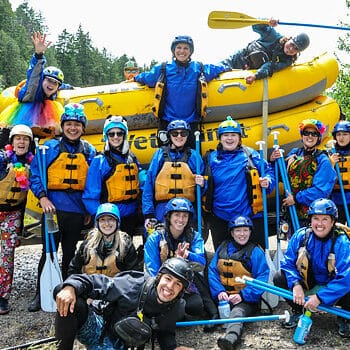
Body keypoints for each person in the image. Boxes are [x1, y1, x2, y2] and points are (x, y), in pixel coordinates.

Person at [28, 102, 97, 312]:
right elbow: (35, 175)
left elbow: (93, 182)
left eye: (77, 124)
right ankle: (41, 294)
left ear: (83, 127)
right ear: (63, 126)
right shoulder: (49, 148)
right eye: (69, 124)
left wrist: (87, 209)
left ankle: (67, 292)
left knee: (69, 253)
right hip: (53, 210)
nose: (73, 128)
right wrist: (42, 198)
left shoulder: (89, 150)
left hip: (76, 210)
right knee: (47, 252)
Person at [55, 257, 195, 350]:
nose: (170, 287)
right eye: (168, 278)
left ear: (181, 291)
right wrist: (70, 287)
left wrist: (173, 348)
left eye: (178, 284)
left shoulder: (177, 307)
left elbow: (165, 332)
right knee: (72, 301)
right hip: (98, 329)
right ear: (159, 277)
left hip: (122, 347)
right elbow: (92, 282)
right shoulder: (132, 284)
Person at [273, 198, 350, 338]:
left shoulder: (342, 241)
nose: (319, 224)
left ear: (332, 221)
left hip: (333, 289)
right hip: (308, 284)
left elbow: (346, 277)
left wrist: (320, 297)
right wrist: (295, 284)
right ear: (310, 220)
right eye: (316, 218)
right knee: (279, 277)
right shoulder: (301, 236)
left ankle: (345, 318)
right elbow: (288, 263)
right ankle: (299, 310)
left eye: (325, 219)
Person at [134, 35, 227, 148]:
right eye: (179, 47)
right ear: (173, 50)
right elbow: (147, 77)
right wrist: (135, 77)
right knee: (165, 160)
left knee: (192, 160)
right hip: (167, 122)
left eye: (186, 48)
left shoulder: (199, 68)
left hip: (190, 123)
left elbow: (219, 68)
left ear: (190, 51)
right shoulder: (163, 69)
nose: (182, 51)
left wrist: (232, 67)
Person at [144, 197, 219, 332]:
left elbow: (201, 263)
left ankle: (211, 312)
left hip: (183, 285)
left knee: (196, 305)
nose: (181, 219)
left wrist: (187, 256)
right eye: (177, 215)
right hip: (162, 285)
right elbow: (152, 270)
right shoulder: (155, 238)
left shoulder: (194, 237)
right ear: (169, 217)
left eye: (185, 216)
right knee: (171, 308)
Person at [203, 116, 275, 250]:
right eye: (225, 135)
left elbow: (268, 171)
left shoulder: (250, 155)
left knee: (254, 258)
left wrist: (268, 181)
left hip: (249, 214)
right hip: (220, 216)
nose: (229, 138)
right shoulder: (211, 158)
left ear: (239, 138)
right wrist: (202, 183)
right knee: (224, 261)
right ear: (220, 138)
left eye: (233, 135)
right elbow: (206, 185)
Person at [208, 215, 269, 349]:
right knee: (209, 304)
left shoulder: (256, 252)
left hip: (246, 299)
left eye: (245, 230)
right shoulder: (222, 247)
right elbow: (212, 271)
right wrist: (219, 291)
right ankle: (214, 317)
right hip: (224, 297)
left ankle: (230, 339)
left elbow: (262, 279)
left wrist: (242, 295)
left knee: (237, 313)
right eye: (238, 230)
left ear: (250, 232)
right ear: (232, 232)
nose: (242, 234)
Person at [83, 115, 146, 237]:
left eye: (119, 133)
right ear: (106, 136)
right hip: (110, 216)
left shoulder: (131, 158)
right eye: (111, 134)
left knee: (126, 249)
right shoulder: (100, 161)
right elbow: (90, 195)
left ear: (124, 135)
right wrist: (100, 217)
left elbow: (140, 178)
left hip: (131, 215)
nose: (116, 137)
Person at [142, 119, 205, 238]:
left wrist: (203, 184)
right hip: (163, 208)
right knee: (160, 243)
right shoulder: (159, 155)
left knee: (188, 243)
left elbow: (202, 190)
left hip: (187, 208)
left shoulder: (194, 156)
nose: (179, 136)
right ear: (169, 135)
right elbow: (149, 185)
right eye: (175, 133)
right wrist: (149, 214)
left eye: (183, 133)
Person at [270, 118, 336, 228]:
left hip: (314, 214)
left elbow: (321, 190)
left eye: (314, 134)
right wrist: (274, 162)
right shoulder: (294, 153)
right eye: (306, 133)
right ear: (302, 135)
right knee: (295, 243)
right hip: (292, 211)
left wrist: (296, 198)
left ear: (318, 137)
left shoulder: (323, 160)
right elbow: (281, 176)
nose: (310, 136)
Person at [0, 125, 34, 315]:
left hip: (12, 214)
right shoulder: (2, 158)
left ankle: (2, 297)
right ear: (11, 142)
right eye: (18, 139)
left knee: (7, 257)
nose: (21, 142)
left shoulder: (31, 164)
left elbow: (24, 199)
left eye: (25, 139)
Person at [8, 32, 65, 137]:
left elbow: (63, 86)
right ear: (42, 80)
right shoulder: (35, 87)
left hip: (40, 116)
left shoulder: (54, 91)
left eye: (55, 83)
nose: (51, 85)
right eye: (49, 80)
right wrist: (39, 56)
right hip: (27, 108)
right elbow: (34, 75)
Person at [220, 18, 310, 85]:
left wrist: (256, 76)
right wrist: (267, 22)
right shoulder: (273, 36)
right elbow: (256, 27)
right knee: (218, 69)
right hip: (238, 59)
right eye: (292, 44)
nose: (291, 49)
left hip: (248, 70)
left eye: (296, 49)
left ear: (298, 52)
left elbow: (270, 67)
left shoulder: (287, 61)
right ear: (289, 39)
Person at [68, 202, 139, 277]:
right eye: (102, 220)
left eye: (111, 219)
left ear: (117, 222)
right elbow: (73, 270)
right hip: (91, 286)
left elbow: (134, 275)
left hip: (116, 287)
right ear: (97, 223)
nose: (107, 223)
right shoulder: (88, 244)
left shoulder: (125, 245)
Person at [328, 120, 350, 224]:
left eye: (345, 134)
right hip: (336, 198)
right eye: (338, 134)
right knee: (338, 229)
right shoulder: (329, 154)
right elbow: (324, 178)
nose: (341, 137)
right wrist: (331, 164)